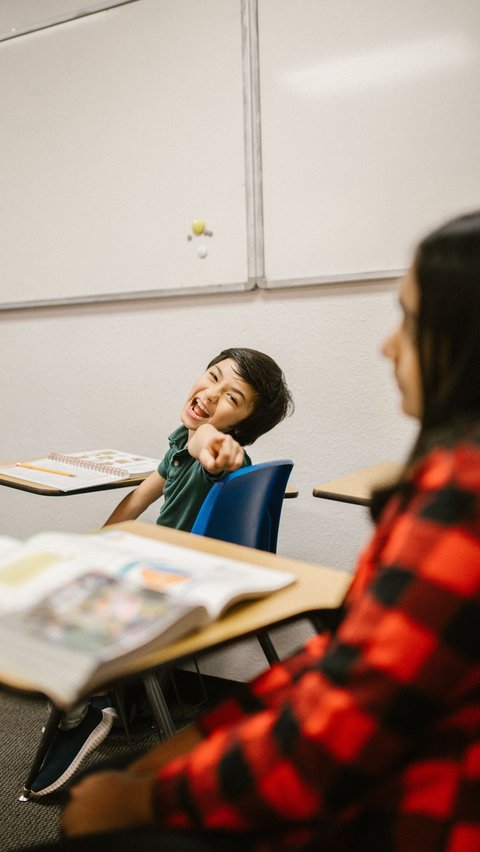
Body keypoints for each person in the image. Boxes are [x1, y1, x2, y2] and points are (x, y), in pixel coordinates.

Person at [16, 209, 480, 852]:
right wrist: (204, 735)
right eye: (209, 379)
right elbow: (344, 662)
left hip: (403, 811)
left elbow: (333, 745)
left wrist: (150, 795)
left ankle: (90, 712)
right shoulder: (439, 480)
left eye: (409, 318)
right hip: (354, 755)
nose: (387, 346)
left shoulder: (459, 505)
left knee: (100, 795)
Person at [28, 348, 294, 799]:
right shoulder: (181, 443)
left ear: (241, 428)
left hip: (169, 580)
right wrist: (98, 541)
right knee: (73, 562)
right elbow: (139, 499)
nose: (210, 395)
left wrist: (210, 438)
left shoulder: (217, 454)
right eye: (211, 378)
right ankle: (111, 697)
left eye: (231, 397)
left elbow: (206, 446)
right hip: (172, 569)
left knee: (46, 583)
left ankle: (91, 705)